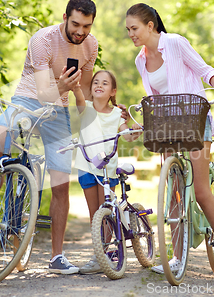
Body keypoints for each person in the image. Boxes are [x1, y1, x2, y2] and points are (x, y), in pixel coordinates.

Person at [0, 0, 99, 275]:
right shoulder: (42, 39)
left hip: (60, 112)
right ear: (65, 17)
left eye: (87, 26)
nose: (80, 31)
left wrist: (100, 104)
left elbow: (86, 91)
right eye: (76, 24)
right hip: (28, 101)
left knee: (61, 183)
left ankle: (56, 257)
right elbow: (43, 93)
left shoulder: (91, 45)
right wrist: (63, 86)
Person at [125, 3, 214, 283]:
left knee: (201, 191)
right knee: (174, 191)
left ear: (150, 26)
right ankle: (177, 256)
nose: (130, 34)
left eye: (134, 28)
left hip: (194, 118)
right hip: (166, 124)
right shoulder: (140, 60)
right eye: (128, 30)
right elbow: (154, 97)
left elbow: (205, 71)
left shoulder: (176, 44)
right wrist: (141, 124)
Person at [71, 70, 141, 274]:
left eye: (104, 83)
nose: (99, 85)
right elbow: (78, 97)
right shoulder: (86, 107)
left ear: (113, 91)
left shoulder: (118, 114)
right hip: (86, 167)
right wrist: (76, 86)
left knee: (107, 213)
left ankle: (100, 255)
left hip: (107, 171)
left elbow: (129, 136)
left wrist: (135, 126)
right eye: (95, 82)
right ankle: (101, 253)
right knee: (95, 216)